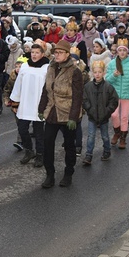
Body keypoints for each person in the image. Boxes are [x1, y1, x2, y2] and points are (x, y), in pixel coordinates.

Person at [38, 39, 84, 188]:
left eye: (59, 52)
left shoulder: (74, 71)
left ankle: (68, 173)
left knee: (69, 146)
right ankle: (49, 174)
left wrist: (73, 117)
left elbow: (78, 96)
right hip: (52, 112)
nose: (56, 55)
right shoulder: (51, 68)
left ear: (67, 54)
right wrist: (41, 109)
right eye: (55, 52)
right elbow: (46, 89)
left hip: (67, 113)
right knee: (47, 143)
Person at [10, 43, 50, 167]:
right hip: (25, 102)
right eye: (32, 52)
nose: (34, 55)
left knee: (39, 132)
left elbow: (49, 87)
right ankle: (29, 151)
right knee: (22, 129)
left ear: (42, 54)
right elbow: (18, 85)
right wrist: (15, 103)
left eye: (37, 52)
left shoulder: (47, 67)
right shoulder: (25, 67)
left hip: (39, 104)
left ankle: (40, 155)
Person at [105, 39, 129, 150]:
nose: (122, 53)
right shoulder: (112, 63)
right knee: (114, 115)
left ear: (127, 52)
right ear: (117, 52)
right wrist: (114, 75)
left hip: (127, 93)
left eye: (124, 50)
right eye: (120, 50)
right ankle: (117, 132)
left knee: (124, 117)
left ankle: (123, 138)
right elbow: (107, 80)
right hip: (114, 94)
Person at [82, 60, 119, 165]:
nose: (97, 74)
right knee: (90, 136)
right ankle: (88, 155)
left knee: (105, 136)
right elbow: (84, 100)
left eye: (99, 72)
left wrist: (107, 111)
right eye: (95, 72)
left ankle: (107, 151)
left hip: (104, 117)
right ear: (92, 73)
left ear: (103, 73)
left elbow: (114, 100)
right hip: (92, 116)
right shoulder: (88, 87)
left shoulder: (108, 87)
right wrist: (89, 109)